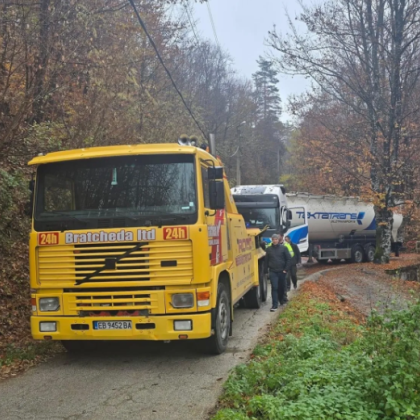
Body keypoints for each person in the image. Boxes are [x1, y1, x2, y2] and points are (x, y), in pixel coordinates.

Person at [264, 233, 292, 312]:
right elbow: (266, 261)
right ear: (272, 240)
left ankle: (282, 300)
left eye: (276, 239)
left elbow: (288, 259)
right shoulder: (268, 249)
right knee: (274, 287)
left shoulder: (283, 248)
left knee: (281, 287)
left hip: (282, 271)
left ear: (278, 240)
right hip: (273, 271)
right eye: (273, 239)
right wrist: (266, 271)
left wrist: (285, 269)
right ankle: (274, 305)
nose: (275, 241)